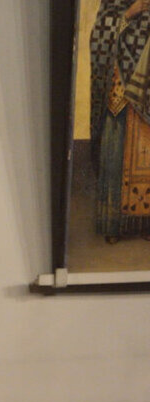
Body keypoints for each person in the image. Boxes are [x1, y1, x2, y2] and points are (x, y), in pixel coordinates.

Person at [90, 0, 150, 242]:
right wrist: (129, 13)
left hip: (146, 87)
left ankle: (144, 224)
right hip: (121, 89)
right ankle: (113, 225)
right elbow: (99, 36)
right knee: (114, 156)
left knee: (145, 156)